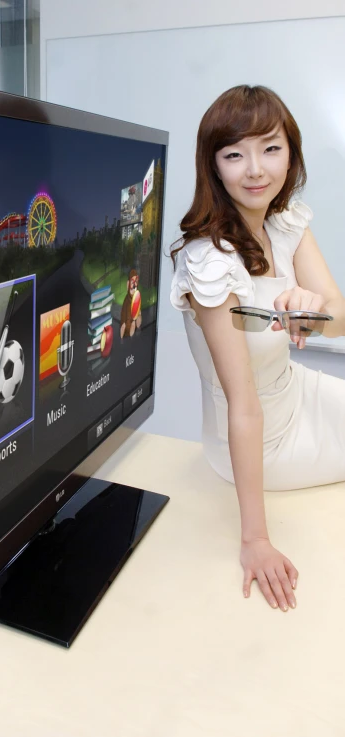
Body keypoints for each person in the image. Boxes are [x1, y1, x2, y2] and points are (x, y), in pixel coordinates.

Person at [169, 85, 345, 613]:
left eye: (270, 148)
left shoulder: (284, 221)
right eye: (234, 154)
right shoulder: (208, 263)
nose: (255, 170)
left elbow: (341, 321)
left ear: (290, 152)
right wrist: (255, 540)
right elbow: (242, 404)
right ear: (213, 166)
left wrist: (312, 310)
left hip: (298, 395)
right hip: (254, 440)